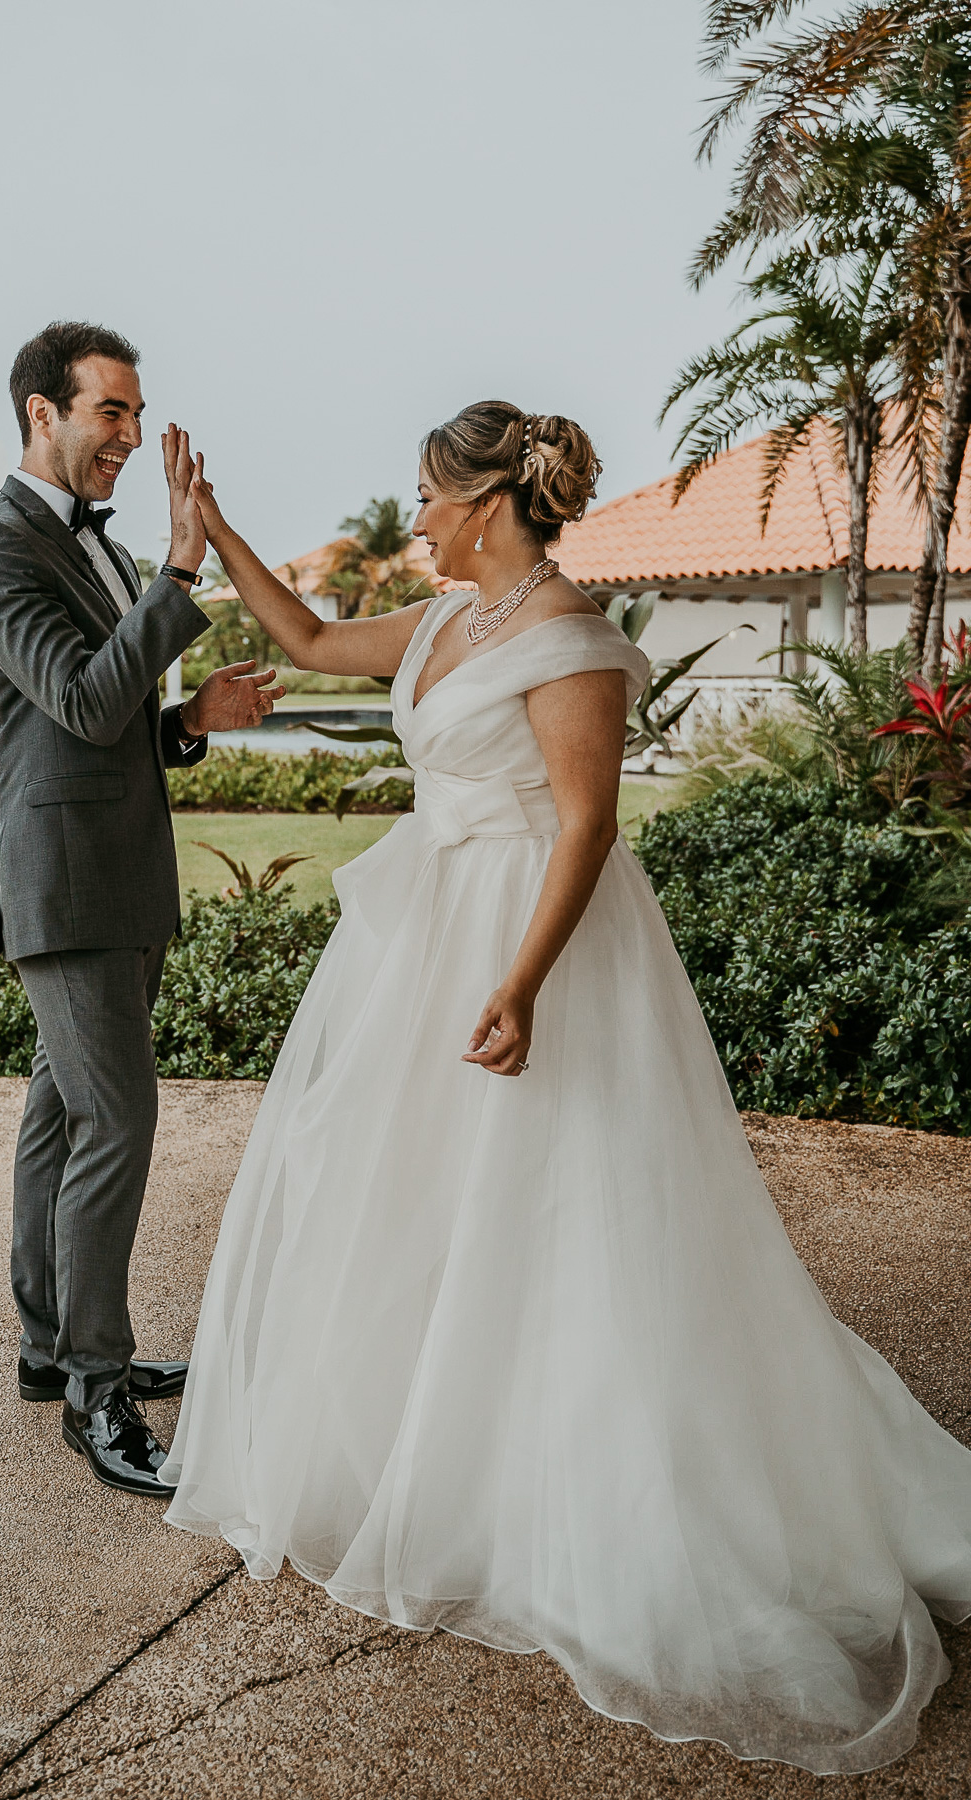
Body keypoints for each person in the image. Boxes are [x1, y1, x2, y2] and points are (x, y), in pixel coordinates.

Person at [156, 400, 971, 1774]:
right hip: (416, 944)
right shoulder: (433, 629)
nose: (411, 519)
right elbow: (300, 640)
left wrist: (523, 984)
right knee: (411, 1196)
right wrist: (215, 530)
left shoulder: (575, 643)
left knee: (554, 1205)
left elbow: (588, 824)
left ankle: (599, 1482)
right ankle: (441, 1452)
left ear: (484, 505)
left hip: (531, 945)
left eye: (425, 496)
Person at [0, 322, 284, 1499]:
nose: (131, 439)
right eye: (110, 415)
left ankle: (52, 1349)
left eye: (139, 417)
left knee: (64, 1114)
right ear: (43, 412)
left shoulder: (94, 550)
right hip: (68, 887)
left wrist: (191, 720)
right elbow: (84, 706)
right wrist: (179, 574)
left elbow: (109, 719)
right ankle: (98, 1391)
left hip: (120, 874)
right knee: (118, 1122)